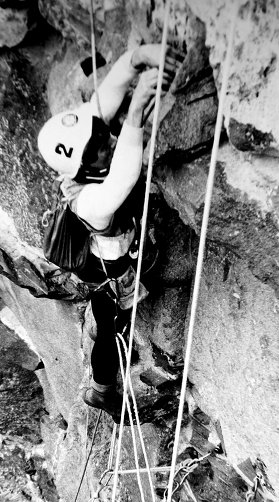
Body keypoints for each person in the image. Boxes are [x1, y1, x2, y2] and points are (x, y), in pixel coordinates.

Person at [37, 44, 180, 421]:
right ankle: (102, 389)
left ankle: (103, 382)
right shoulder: (89, 202)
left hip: (108, 253)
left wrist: (138, 58)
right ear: (80, 169)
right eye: (97, 150)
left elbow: (108, 94)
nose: (106, 144)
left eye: (101, 137)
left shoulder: (85, 141)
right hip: (107, 272)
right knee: (109, 323)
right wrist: (135, 117)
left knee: (108, 321)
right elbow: (121, 180)